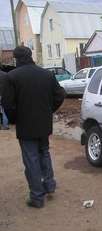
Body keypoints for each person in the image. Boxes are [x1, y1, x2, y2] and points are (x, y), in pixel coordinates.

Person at [2, 46, 66, 208]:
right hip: (44, 124)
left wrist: (15, 119)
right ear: (30, 56)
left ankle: (37, 197)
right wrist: (49, 110)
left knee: (31, 160)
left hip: (26, 126)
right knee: (44, 153)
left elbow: (8, 104)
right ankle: (49, 186)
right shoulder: (46, 74)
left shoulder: (12, 77)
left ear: (16, 58)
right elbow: (60, 94)